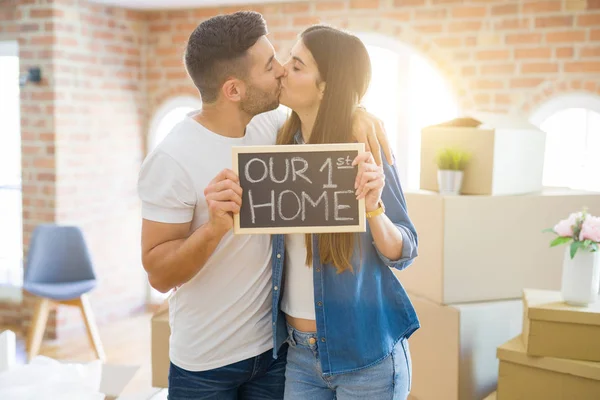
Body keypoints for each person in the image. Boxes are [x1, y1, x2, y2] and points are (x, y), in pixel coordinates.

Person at [137, 12, 392, 400]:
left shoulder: (271, 126)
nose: (281, 72)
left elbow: (325, 107)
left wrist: (358, 114)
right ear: (234, 90)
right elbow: (158, 274)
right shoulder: (172, 157)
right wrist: (213, 230)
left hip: (275, 354)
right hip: (204, 364)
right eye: (270, 65)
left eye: (281, 59)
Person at [270, 25, 420, 400]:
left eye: (298, 65)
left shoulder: (363, 146)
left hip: (366, 357)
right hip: (300, 355)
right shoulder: (278, 144)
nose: (284, 69)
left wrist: (374, 209)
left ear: (326, 87)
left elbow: (404, 249)